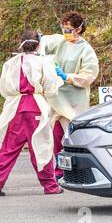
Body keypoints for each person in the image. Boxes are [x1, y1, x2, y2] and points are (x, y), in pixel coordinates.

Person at [0, 30, 64, 196]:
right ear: (38, 44)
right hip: (36, 105)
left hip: (16, 106)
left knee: (9, 146)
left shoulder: (11, 63)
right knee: (41, 145)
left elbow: (4, 88)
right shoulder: (43, 62)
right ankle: (50, 185)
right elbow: (51, 87)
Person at [39, 11, 99, 178]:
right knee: (56, 135)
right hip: (57, 97)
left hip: (74, 100)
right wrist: (37, 39)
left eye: (69, 29)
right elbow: (43, 42)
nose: (65, 31)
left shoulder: (86, 50)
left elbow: (89, 74)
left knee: (71, 137)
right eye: (63, 28)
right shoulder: (60, 41)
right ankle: (59, 171)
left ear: (78, 29)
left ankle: (77, 170)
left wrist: (68, 77)